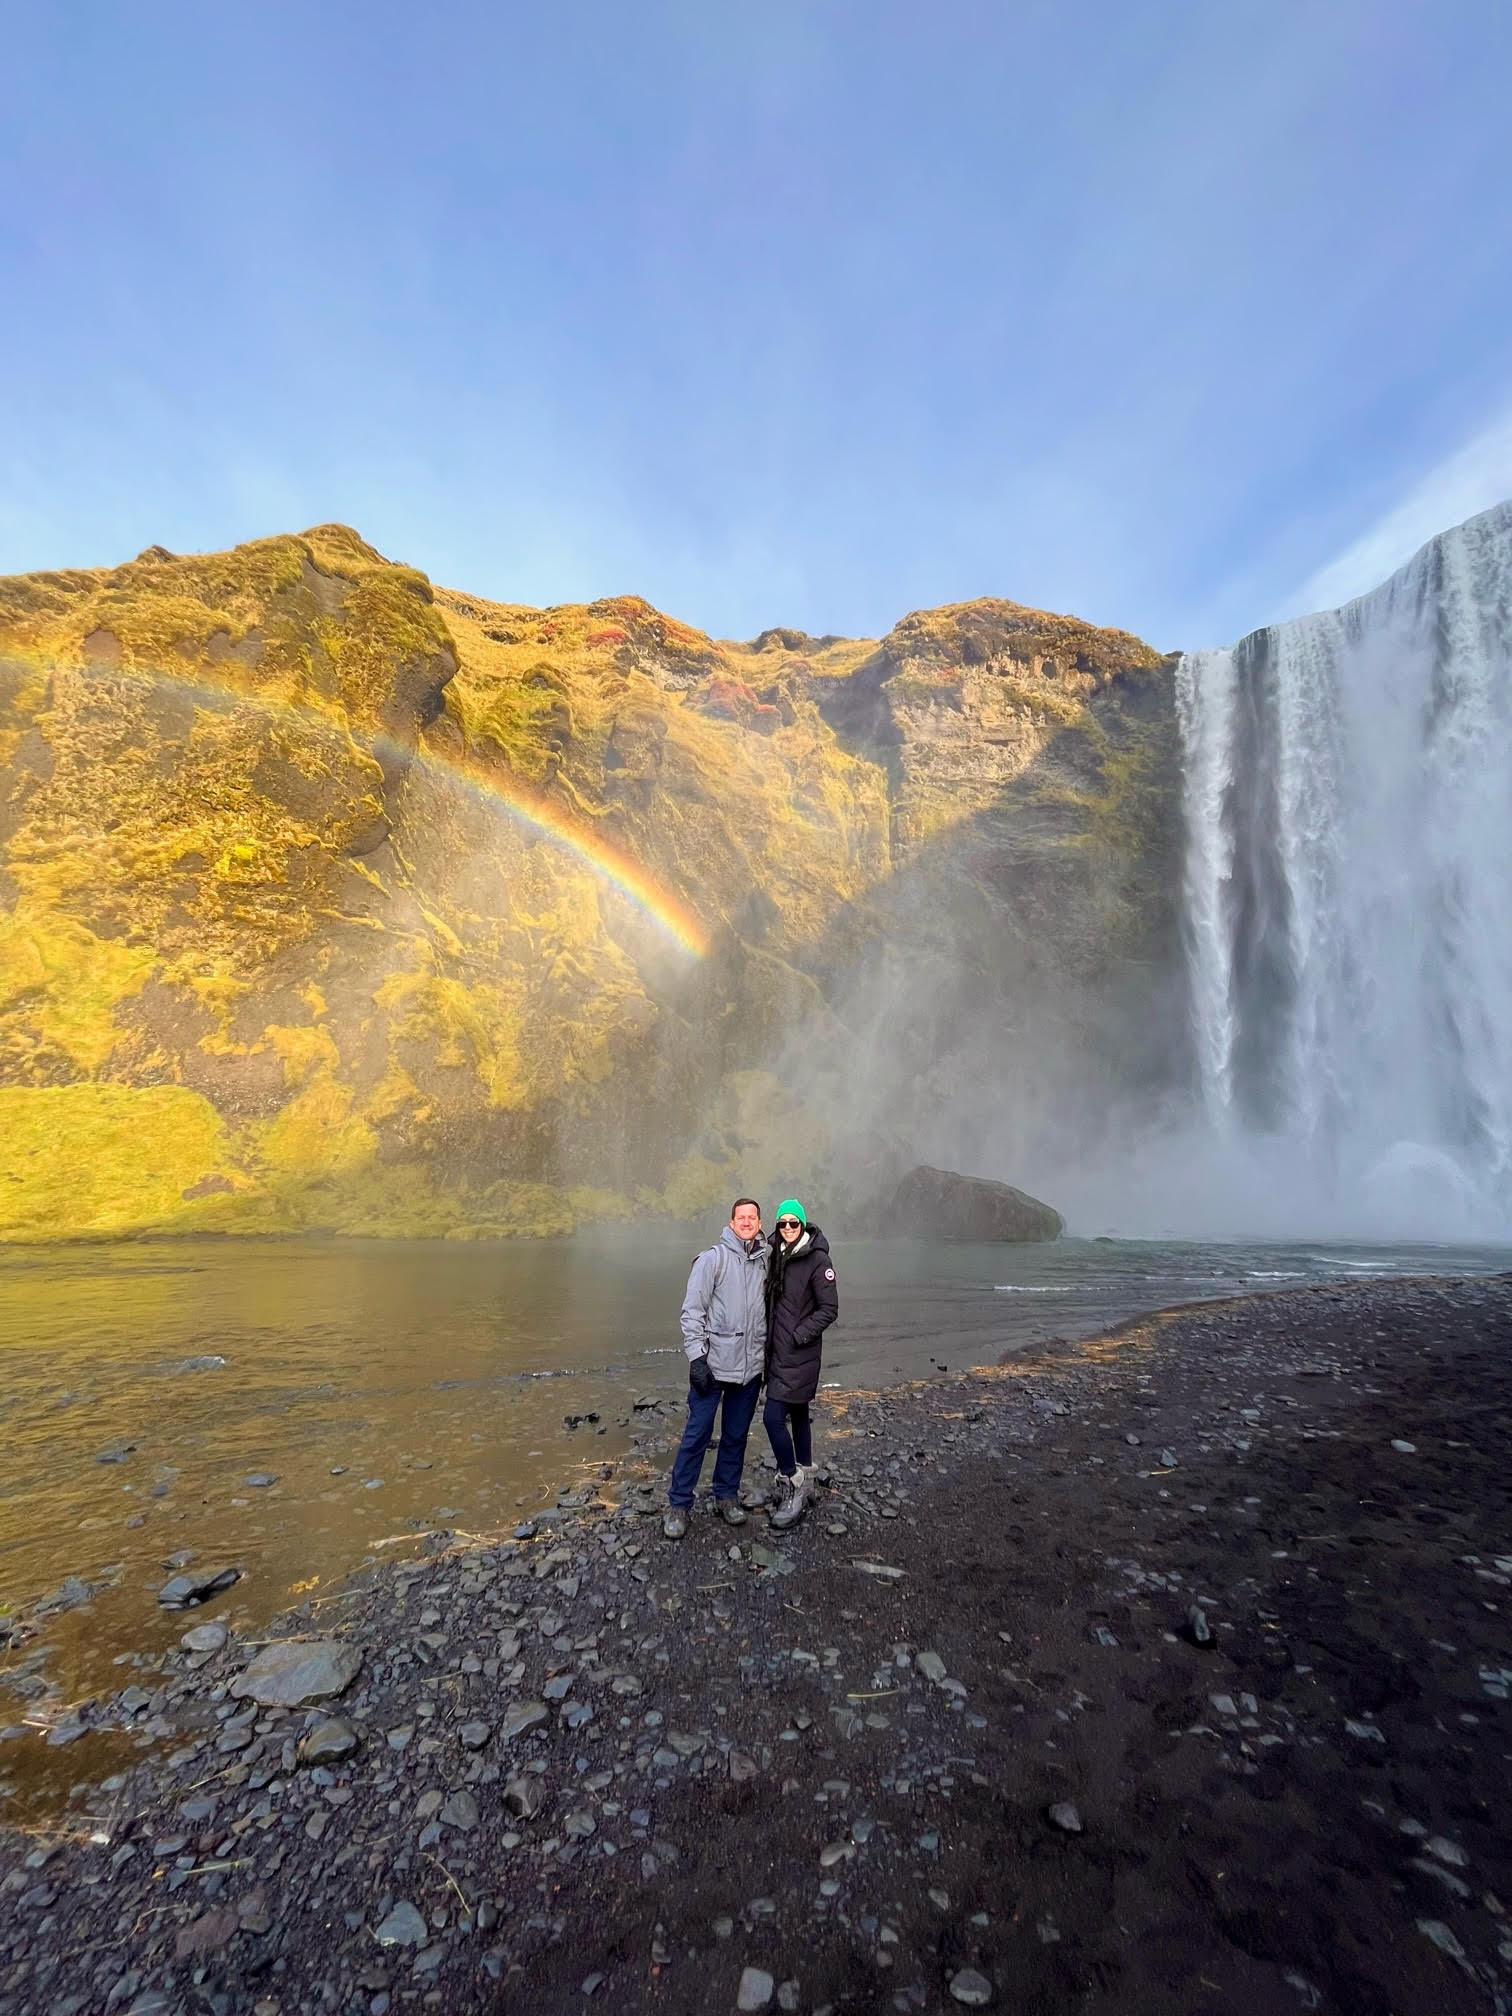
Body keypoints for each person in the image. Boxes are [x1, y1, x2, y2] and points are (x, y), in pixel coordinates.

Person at [663, 1197, 768, 1539]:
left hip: (750, 1369)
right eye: (742, 1217)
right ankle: (679, 1504)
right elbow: (692, 1311)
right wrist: (696, 1358)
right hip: (713, 1367)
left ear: (760, 1222)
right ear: (732, 1222)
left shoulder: (767, 1262)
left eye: (753, 1217)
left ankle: (726, 1496)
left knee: (736, 1437)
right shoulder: (713, 1259)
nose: (748, 1221)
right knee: (697, 1435)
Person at [762, 1197, 838, 1530]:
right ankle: (805, 1473)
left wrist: (798, 1335)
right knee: (798, 1414)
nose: (788, 1228)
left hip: (799, 1353)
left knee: (771, 1417)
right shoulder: (777, 1256)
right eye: (783, 1223)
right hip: (778, 1354)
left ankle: (791, 1481)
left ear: (803, 1225)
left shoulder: (818, 1260)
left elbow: (829, 1309)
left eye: (794, 1223)